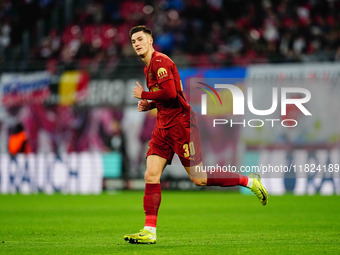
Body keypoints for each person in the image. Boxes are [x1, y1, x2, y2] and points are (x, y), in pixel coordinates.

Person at [124, 25, 268, 245]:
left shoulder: (160, 62)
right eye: (133, 41)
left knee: (199, 179)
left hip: (182, 126)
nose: (137, 43)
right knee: (150, 175)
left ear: (150, 41)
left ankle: (249, 181)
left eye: (140, 39)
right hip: (162, 127)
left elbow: (171, 93)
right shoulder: (148, 68)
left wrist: (143, 94)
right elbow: (171, 94)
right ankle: (149, 230)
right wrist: (150, 104)